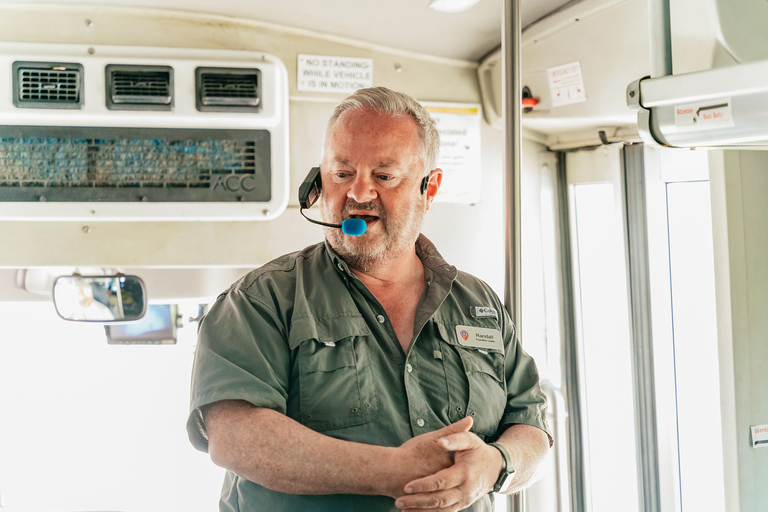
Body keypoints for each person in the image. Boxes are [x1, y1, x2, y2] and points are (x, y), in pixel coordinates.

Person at [187, 86, 552, 512]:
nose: (359, 194)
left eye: (383, 176)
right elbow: (236, 439)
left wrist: (495, 463)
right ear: (317, 183)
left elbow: (531, 427)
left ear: (428, 190)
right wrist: (392, 470)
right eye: (342, 174)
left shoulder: (478, 302)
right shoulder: (260, 300)